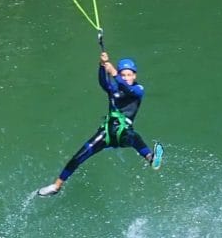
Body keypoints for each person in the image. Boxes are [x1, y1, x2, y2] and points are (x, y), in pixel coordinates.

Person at [37, 51, 161, 196]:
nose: (126, 78)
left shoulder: (138, 90)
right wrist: (102, 66)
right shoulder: (114, 89)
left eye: (129, 74)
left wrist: (114, 72)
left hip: (123, 132)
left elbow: (127, 89)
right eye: (124, 75)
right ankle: (56, 186)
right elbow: (103, 82)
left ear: (135, 76)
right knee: (79, 156)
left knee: (132, 136)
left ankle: (150, 158)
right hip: (107, 132)